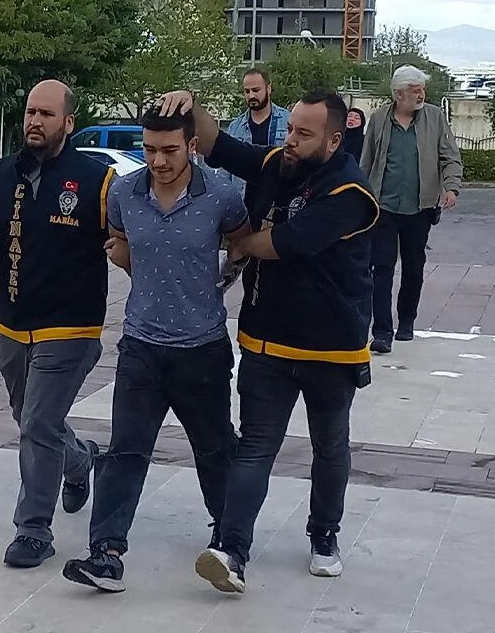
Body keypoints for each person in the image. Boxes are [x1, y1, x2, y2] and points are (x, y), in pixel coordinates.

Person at [155, 87, 380, 595]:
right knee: (255, 448)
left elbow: (286, 243)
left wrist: (236, 242)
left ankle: (324, 535)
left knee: (329, 446)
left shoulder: (350, 193)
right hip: (267, 342)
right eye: (291, 129)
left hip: (332, 347)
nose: (291, 140)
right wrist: (190, 104)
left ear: (334, 140)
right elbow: (219, 145)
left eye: (305, 133)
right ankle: (231, 551)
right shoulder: (280, 163)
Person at [61, 106, 250, 593]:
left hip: (202, 349)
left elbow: (242, 243)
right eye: (149, 150)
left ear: (192, 146)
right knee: (125, 450)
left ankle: (229, 546)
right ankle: (106, 554)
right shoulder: (124, 192)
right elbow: (120, 240)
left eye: (169, 150)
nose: (159, 161)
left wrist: (220, 282)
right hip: (141, 346)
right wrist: (128, 261)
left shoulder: (222, 195)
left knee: (215, 449)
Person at [0, 79, 109, 569]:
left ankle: (33, 530)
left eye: (47, 114)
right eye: (31, 112)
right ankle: (81, 460)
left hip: (72, 330)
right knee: (32, 420)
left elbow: (133, 237)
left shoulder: (97, 182)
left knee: (37, 423)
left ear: (68, 123)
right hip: (14, 327)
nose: (35, 121)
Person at [359, 65, 464, 354]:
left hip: (421, 208)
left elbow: (450, 157)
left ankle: (406, 321)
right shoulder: (379, 119)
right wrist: (359, 197)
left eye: (422, 90)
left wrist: (451, 187)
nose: (421, 95)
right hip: (383, 207)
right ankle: (382, 332)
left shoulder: (435, 117)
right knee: (381, 268)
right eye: (415, 90)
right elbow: (366, 161)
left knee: (413, 266)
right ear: (399, 94)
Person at [225, 67, 290, 147]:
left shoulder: (288, 121)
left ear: (268, 89)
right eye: (247, 91)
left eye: (256, 90)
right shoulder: (234, 128)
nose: (251, 96)